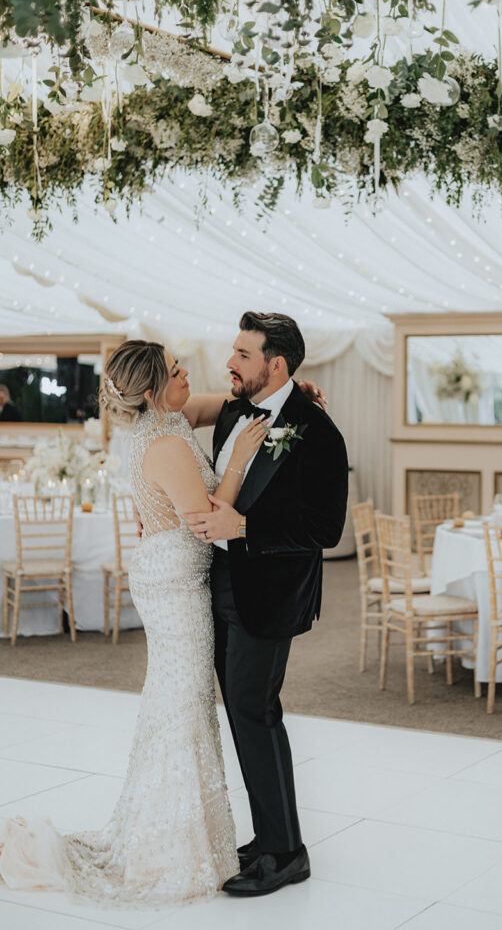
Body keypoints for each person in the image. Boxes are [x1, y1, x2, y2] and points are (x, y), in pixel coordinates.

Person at [0, 339, 325, 907]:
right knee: (182, 700)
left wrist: (292, 395)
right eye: (176, 372)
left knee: (180, 701)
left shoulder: (165, 419)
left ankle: (181, 833)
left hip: (169, 573)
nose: (188, 376)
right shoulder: (168, 441)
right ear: (151, 392)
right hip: (175, 584)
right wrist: (242, 459)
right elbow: (204, 521)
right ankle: (169, 843)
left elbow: (217, 406)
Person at [185, 312, 348, 898]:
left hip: (270, 593)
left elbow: (325, 528)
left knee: (256, 711)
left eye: (242, 354)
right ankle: (269, 836)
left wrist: (247, 526)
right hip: (220, 582)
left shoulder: (318, 429)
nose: (230, 362)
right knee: (243, 711)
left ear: (275, 364)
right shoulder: (233, 409)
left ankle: (286, 853)